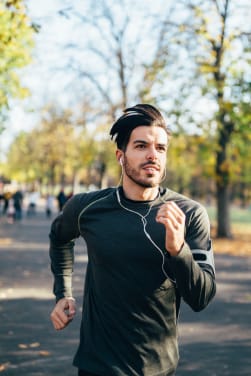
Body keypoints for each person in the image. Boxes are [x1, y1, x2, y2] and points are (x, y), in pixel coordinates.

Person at [49, 104, 216, 376]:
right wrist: (63, 293)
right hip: (97, 365)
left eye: (160, 148)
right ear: (120, 155)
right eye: (141, 146)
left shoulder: (189, 213)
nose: (153, 155)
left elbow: (201, 297)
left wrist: (178, 250)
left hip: (157, 367)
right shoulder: (87, 208)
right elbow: (59, 239)